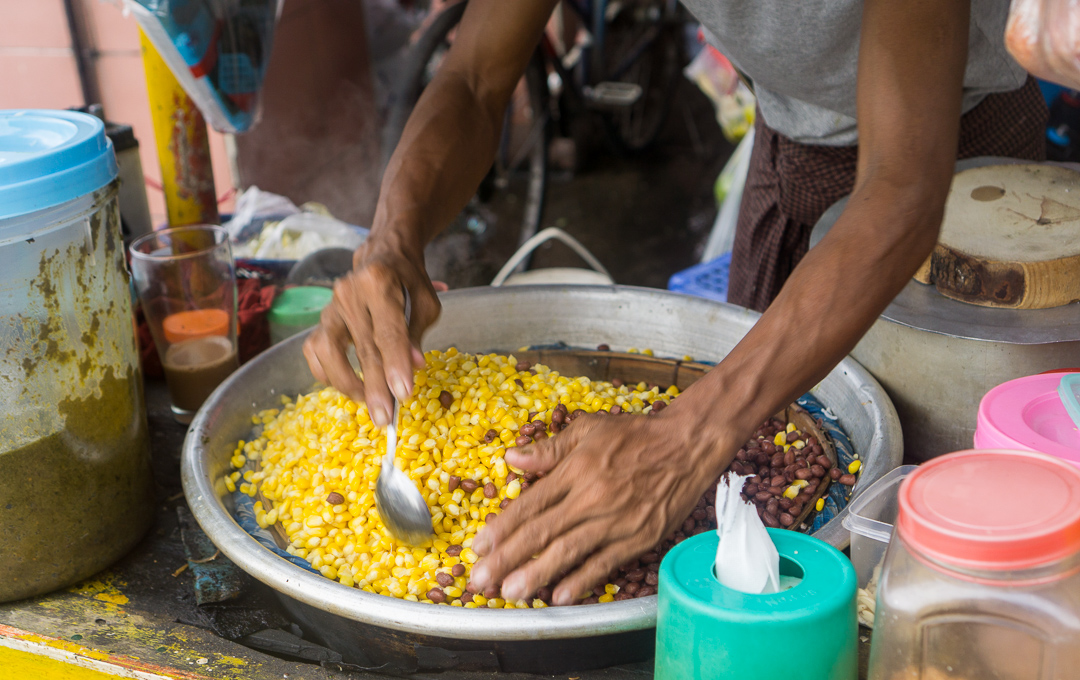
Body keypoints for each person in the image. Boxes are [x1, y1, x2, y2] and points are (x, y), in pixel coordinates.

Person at [303, 0, 1046, 607]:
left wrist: (685, 436)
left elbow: (903, 188)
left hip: (967, 200)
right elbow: (472, 80)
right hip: (790, 146)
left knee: (924, 573)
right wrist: (393, 240)